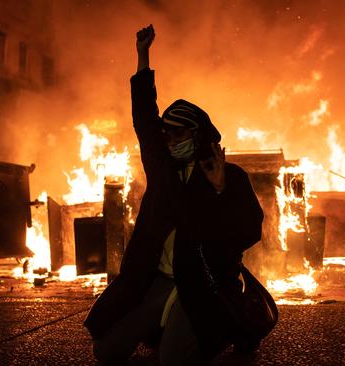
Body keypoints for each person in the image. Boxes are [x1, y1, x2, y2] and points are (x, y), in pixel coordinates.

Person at [84, 25, 264, 365]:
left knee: (173, 360)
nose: (169, 142)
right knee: (106, 351)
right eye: (167, 135)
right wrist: (142, 55)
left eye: (177, 134)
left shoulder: (231, 177)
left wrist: (221, 189)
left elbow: (248, 232)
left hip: (201, 284)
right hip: (160, 279)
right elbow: (144, 119)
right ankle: (166, 321)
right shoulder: (163, 171)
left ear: (197, 136)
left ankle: (225, 325)